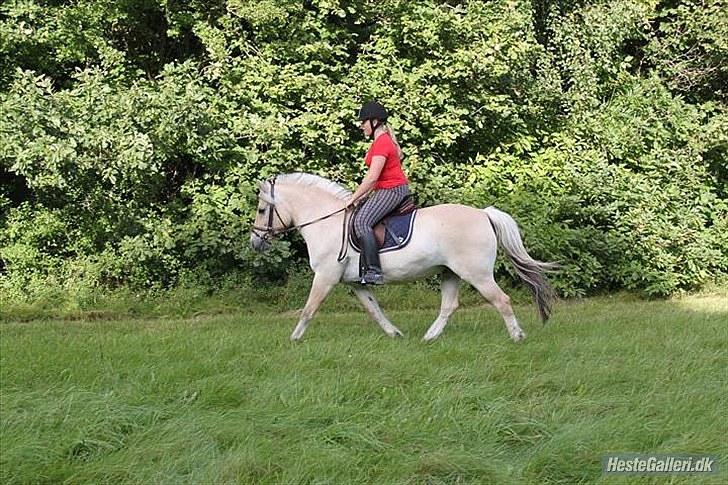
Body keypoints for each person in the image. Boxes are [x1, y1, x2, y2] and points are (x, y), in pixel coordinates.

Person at [345, 101, 411, 285]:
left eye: (363, 122)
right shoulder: (380, 141)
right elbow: (376, 179)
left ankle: (374, 270)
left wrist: (353, 198)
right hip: (385, 189)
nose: (361, 126)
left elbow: (372, 177)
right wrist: (363, 196)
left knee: (361, 222)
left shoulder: (382, 143)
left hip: (393, 190)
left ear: (374, 122)